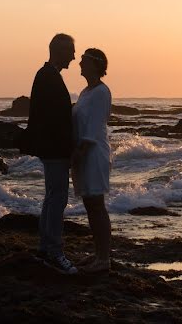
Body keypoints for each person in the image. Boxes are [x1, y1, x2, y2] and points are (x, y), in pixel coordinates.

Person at [24, 33, 78, 274]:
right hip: (54, 148)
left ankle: (46, 249)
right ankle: (54, 252)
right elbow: (51, 117)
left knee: (52, 197)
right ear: (59, 51)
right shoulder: (48, 76)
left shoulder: (46, 75)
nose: (74, 57)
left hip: (50, 147)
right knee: (58, 198)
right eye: (71, 51)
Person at [71, 47, 113, 273]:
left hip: (93, 153)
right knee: (90, 204)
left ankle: (104, 258)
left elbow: (94, 126)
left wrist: (80, 152)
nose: (79, 63)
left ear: (95, 64)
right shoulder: (86, 92)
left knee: (97, 205)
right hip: (83, 151)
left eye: (84, 60)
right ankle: (98, 253)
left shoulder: (101, 92)